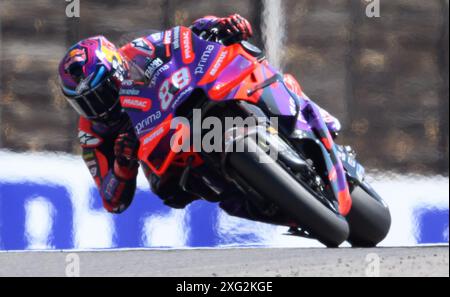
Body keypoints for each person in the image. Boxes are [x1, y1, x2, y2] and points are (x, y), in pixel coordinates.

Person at [58, 14, 341, 224]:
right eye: (84, 102)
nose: (97, 107)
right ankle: (274, 205)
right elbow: (112, 201)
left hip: (187, 103)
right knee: (180, 192)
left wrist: (221, 25)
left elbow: (184, 37)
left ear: (116, 69)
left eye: (100, 92)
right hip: (166, 151)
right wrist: (122, 164)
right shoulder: (92, 133)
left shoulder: (139, 50)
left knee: (256, 67)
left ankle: (307, 113)